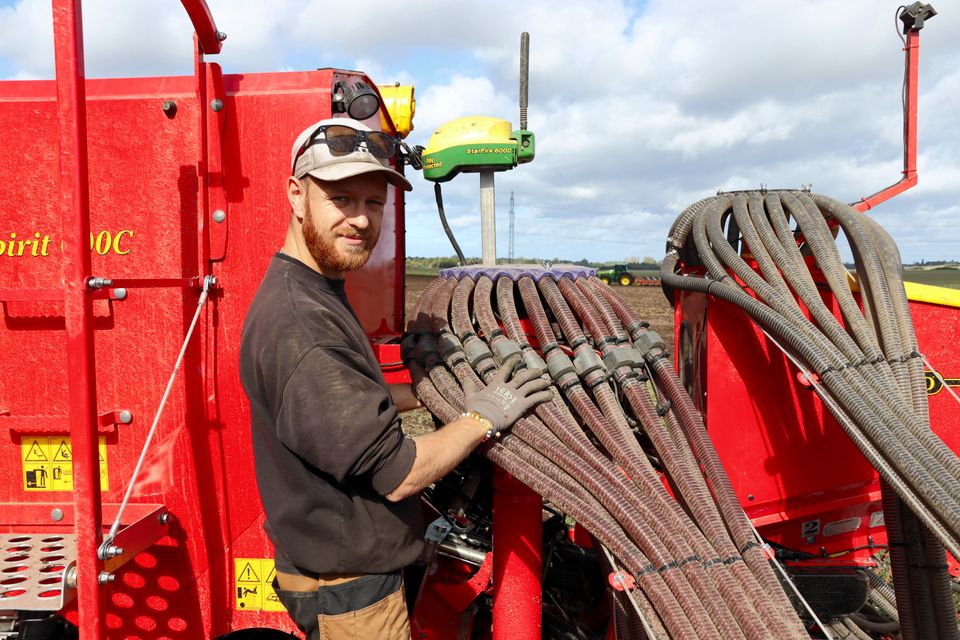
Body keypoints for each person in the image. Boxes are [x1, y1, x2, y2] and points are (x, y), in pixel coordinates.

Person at [239, 117, 551, 640]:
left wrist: (432, 394)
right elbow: (401, 473)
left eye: (374, 203)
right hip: (351, 592)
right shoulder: (302, 326)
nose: (361, 220)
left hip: (337, 565)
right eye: (342, 200)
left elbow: (348, 403)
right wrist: (484, 415)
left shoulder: (314, 287)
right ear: (297, 195)